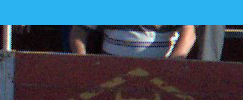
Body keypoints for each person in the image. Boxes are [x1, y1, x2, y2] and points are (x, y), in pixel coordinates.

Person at [66, 25, 195, 59]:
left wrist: (173, 64)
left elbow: (188, 33)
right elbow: (78, 31)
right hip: (112, 76)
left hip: (159, 77)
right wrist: (83, 62)